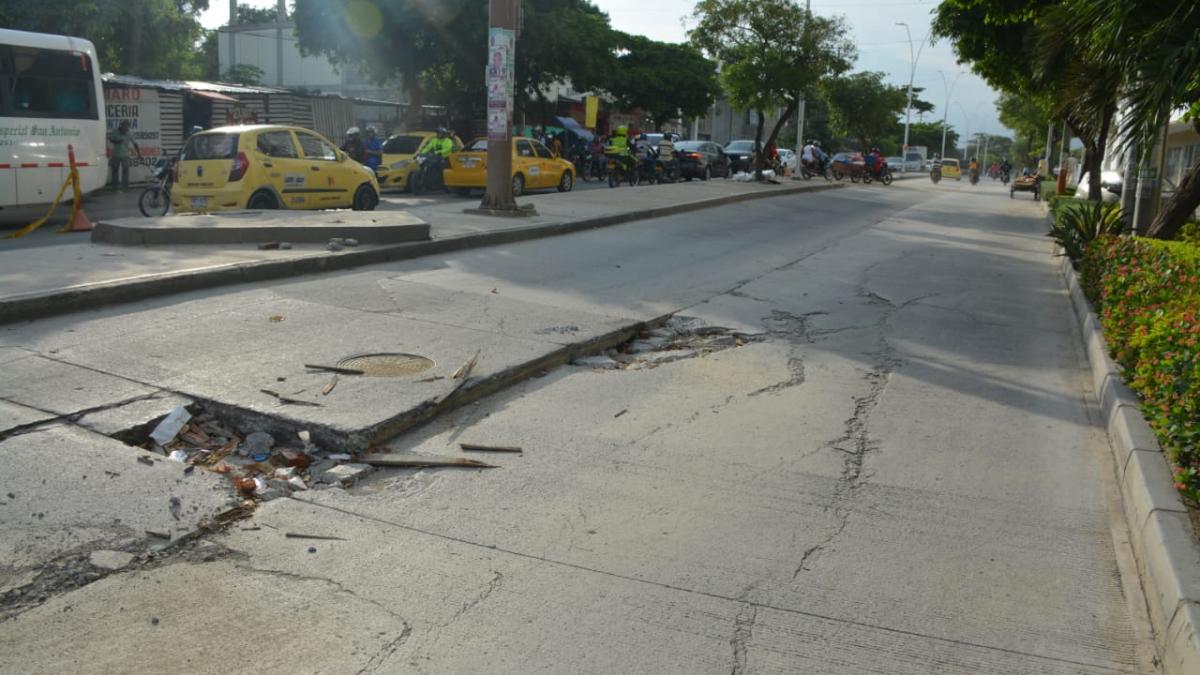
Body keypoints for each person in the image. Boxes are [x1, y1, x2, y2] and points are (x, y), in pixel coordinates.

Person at [107, 120, 141, 190]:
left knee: (125, 171)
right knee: (115, 171)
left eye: (127, 127)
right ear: (121, 126)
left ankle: (125, 187)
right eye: (124, 127)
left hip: (125, 155)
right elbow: (111, 140)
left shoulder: (130, 133)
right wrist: (117, 142)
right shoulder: (115, 131)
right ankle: (114, 187)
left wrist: (139, 154)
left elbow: (135, 143)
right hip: (116, 154)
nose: (126, 129)